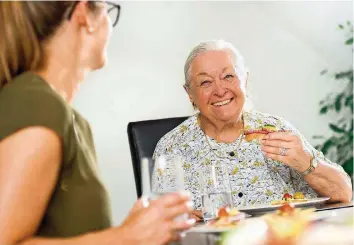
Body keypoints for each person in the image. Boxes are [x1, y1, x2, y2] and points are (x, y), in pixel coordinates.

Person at [0, 1, 194, 245]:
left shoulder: (66, 117)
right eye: (105, 9)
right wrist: (126, 238)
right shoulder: (37, 104)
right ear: (84, 15)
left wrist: (134, 232)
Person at [152, 40, 352, 219]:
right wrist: (177, 220)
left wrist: (306, 163)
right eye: (205, 82)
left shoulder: (276, 129)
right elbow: (160, 225)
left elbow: (344, 194)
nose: (220, 90)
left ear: (244, 81)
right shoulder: (172, 148)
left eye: (228, 76)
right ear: (189, 93)